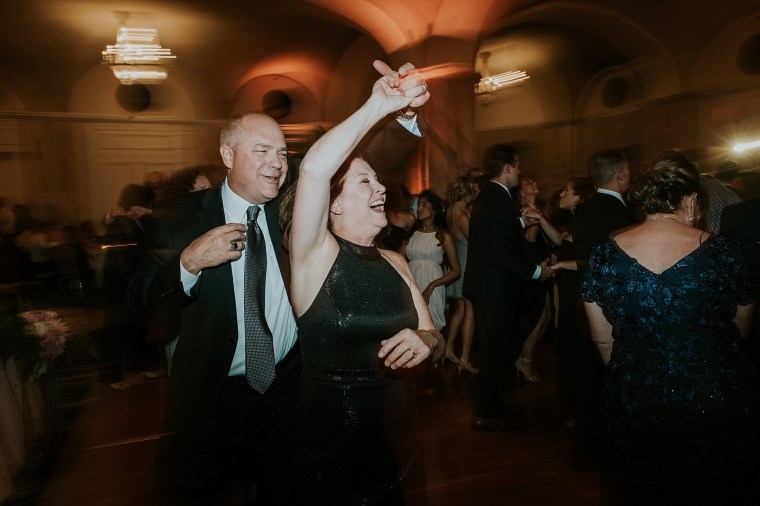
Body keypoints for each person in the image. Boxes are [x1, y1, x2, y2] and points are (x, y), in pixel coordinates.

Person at [288, 60, 442, 504]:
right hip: (330, 442)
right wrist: (378, 107)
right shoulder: (314, 258)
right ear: (333, 205)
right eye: (364, 181)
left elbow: (434, 337)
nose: (380, 188)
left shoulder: (396, 261)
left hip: (398, 434)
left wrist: (426, 340)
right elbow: (314, 170)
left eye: (377, 179)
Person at [127, 112, 299, 504]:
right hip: (214, 396)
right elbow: (141, 302)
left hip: (286, 388)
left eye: (282, 153)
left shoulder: (291, 207)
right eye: (262, 150)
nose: (277, 163)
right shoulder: (177, 217)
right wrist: (187, 264)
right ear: (228, 154)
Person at [582, 153, 759, 504]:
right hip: (711, 396)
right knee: (709, 484)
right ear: (691, 200)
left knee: (644, 484)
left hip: (637, 395)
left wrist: (635, 372)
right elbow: (742, 326)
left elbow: (602, 340)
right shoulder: (722, 251)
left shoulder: (604, 254)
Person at [463, 144, 552, 432]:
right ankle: (486, 412)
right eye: (518, 166)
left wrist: (519, 221)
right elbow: (502, 253)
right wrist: (537, 271)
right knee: (494, 351)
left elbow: (493, 235)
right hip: (494, 288)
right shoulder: (499, 200)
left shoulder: (488, 195)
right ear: (509, 167)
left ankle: (490, 406)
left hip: (486, 285)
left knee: (494, 349)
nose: (520, 171)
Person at [400, 189, 461, 333]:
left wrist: (432, 285)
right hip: (412, 283)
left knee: (430, 328)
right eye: (418, 205)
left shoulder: (444, 236)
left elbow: (456, 271)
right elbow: (398, 259)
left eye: (424, 204)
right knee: (412, 326)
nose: (419, 208)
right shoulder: (411, 234)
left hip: (433, 284)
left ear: (434, 209)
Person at [443, 175, 479, 372]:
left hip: (458, 261)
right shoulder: (462, 215)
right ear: (468, 193)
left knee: (459, 311)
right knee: (470, 313)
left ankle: (448, 349)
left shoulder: (451, 211)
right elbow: (475, 242)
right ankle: (465, 358)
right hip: (467, 263)